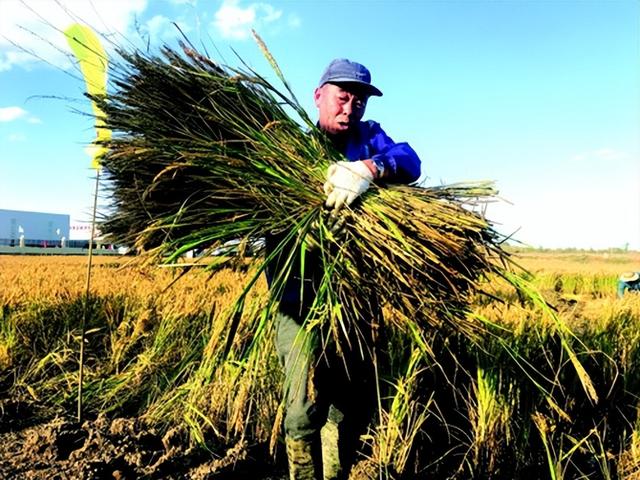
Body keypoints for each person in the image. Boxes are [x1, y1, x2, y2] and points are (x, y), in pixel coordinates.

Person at [270, 58, 421, 480]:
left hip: (355, 300)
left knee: (344, 403)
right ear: (319, 96)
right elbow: (268, 231)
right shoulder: (290, 150)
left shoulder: (369, 139)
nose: (350, 109)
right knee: (302, 403)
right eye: (342, 98)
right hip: (298, 301)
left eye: (359, 102)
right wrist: (304, 236)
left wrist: (369, 169)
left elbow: (410, 160)